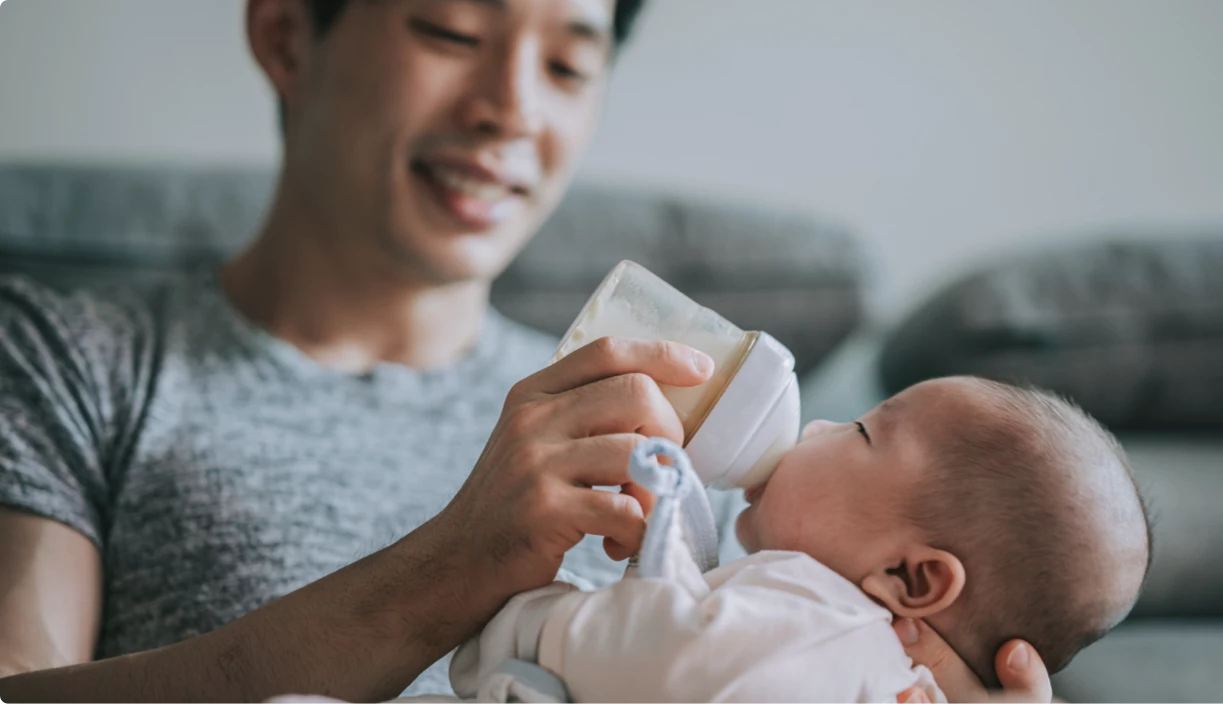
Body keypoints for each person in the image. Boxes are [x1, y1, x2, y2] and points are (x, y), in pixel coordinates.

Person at [0, 1, 1060, 702]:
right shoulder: (69, 357)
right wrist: (449, 568)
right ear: (285, 33)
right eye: (450, 29)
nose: (510, 108)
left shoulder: (669, 426)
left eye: (565, 62)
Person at [310, 376, 1145, 704]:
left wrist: (527, 621)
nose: (816, 421)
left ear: (910, 579)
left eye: (857, 431)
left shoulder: (827, 622)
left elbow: (672, 661)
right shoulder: (864, 664)